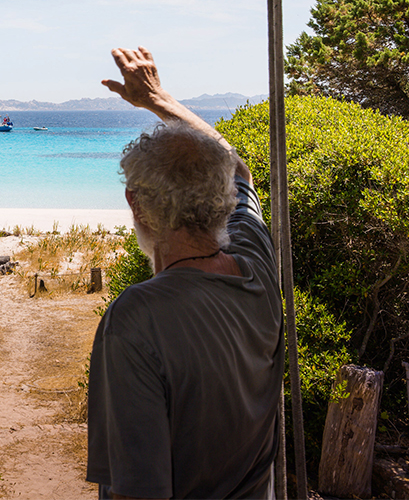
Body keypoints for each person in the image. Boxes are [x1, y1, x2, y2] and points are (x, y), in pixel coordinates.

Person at [86, 46, 283, 499]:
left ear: (136, 206)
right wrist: (159, 99)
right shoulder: (254, 268)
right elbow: (236, 166)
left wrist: (153, 102)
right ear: (224, 199)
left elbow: (136, 490)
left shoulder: (137, 318)